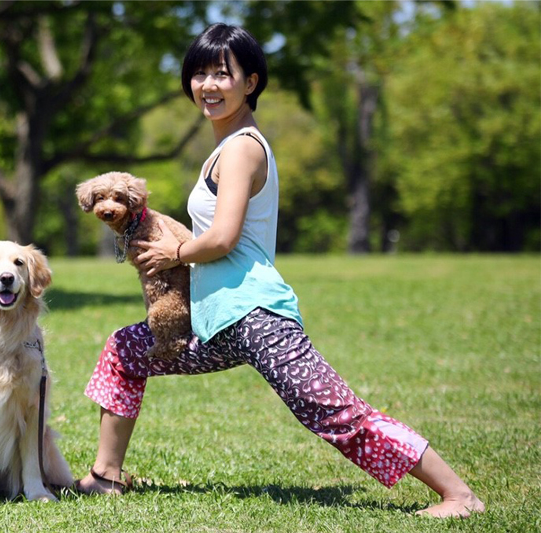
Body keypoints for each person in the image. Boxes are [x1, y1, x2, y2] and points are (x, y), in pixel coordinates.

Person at [75, 23, 484, 519]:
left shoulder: (244, 147)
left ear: (250, 82)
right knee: (124, 351)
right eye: (199, 73)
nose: (208, 84)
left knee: (335, 413)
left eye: (222, 74)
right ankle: (105, 477)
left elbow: (223, 238)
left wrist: (173, 256)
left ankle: (459, 496)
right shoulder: (223, 147)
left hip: (255, 315)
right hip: (215, 320)